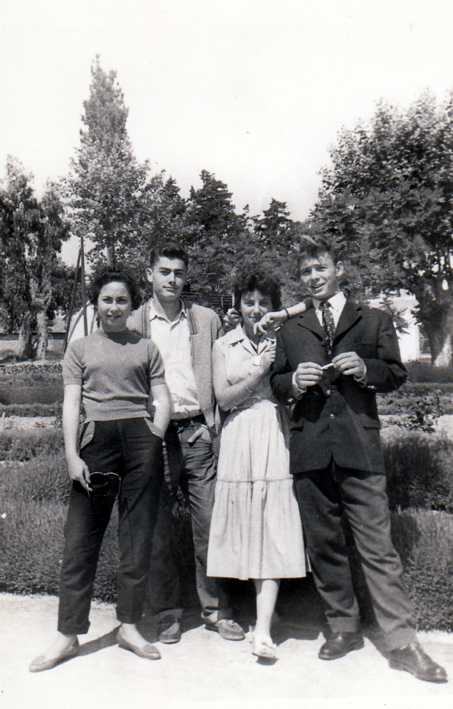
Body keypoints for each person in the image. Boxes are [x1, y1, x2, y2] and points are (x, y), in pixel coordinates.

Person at [270, 237, 447, 683]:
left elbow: (396, 374)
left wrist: (365, 369)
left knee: (377, 547)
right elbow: (274, 382)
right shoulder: (291, 330)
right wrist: (294, 380)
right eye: (306, 272)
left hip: (359, 447)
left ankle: (403, 642)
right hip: (310, 449)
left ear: (339, 268)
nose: (313, 278)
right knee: (325, 543)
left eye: (320, 268)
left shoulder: (374, 320)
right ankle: (343, 627)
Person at [29, 269, 171, 672]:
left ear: (132, 305)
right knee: (80, 540)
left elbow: (162, 397)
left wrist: (154, 433)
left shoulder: (146, 347)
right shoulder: (80, 348)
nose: (114, 307)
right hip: (97, 446)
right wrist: (73, 455)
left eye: (121, 300)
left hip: (140, 441)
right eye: (107, 300)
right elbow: (71, 403)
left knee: (137, 537)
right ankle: (67, 635)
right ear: (96, 304)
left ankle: (128, 626)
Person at [128, 244, 244, 644]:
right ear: (150, 274)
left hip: (197, 430)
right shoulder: (133, 322)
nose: (172, 279)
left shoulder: (206, 319)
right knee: (158, 526)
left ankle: (216, 609)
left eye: (179, 272)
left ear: (186, 276)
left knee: (210, 523)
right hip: (154, 434)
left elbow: (228, 364)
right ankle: (166, 612)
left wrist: (213, 425)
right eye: (164, 271)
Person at [207, 269, 308, 661]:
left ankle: (262, 630)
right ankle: (258, 615)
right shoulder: (223, 345)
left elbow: (312, 306)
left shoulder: (282, 340)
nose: (255, 309)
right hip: (236, 437)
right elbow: (224, 398)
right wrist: (259, 370)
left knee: (271, 524)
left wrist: (279, 323)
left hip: (271, 432)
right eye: (248, 302)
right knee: (246, 526)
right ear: (238, 304)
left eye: (263, 303)